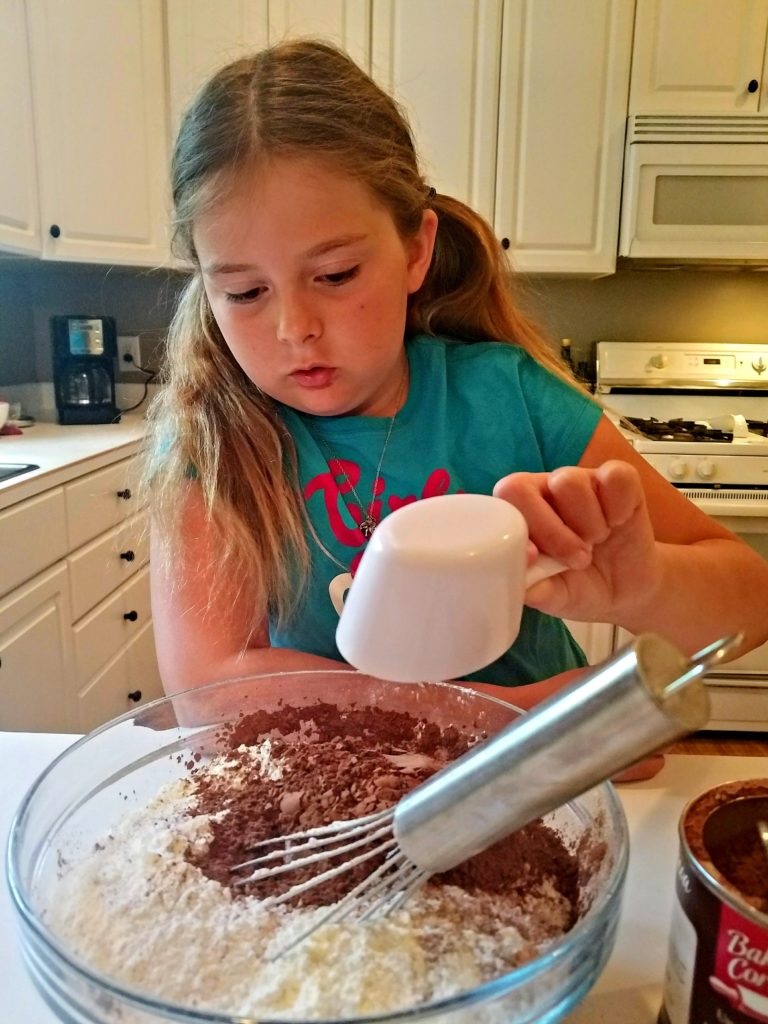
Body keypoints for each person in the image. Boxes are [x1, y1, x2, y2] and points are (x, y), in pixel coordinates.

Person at [145, 40, 768, 778]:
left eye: (336, 273)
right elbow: (210, 692)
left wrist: (644, 585)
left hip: (541, 797)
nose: (293, 328)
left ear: (416, 250)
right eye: (245, 292)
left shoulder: (510, 399)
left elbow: (749, 604)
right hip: (327, 794)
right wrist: (519, 721)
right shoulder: (215, 445)